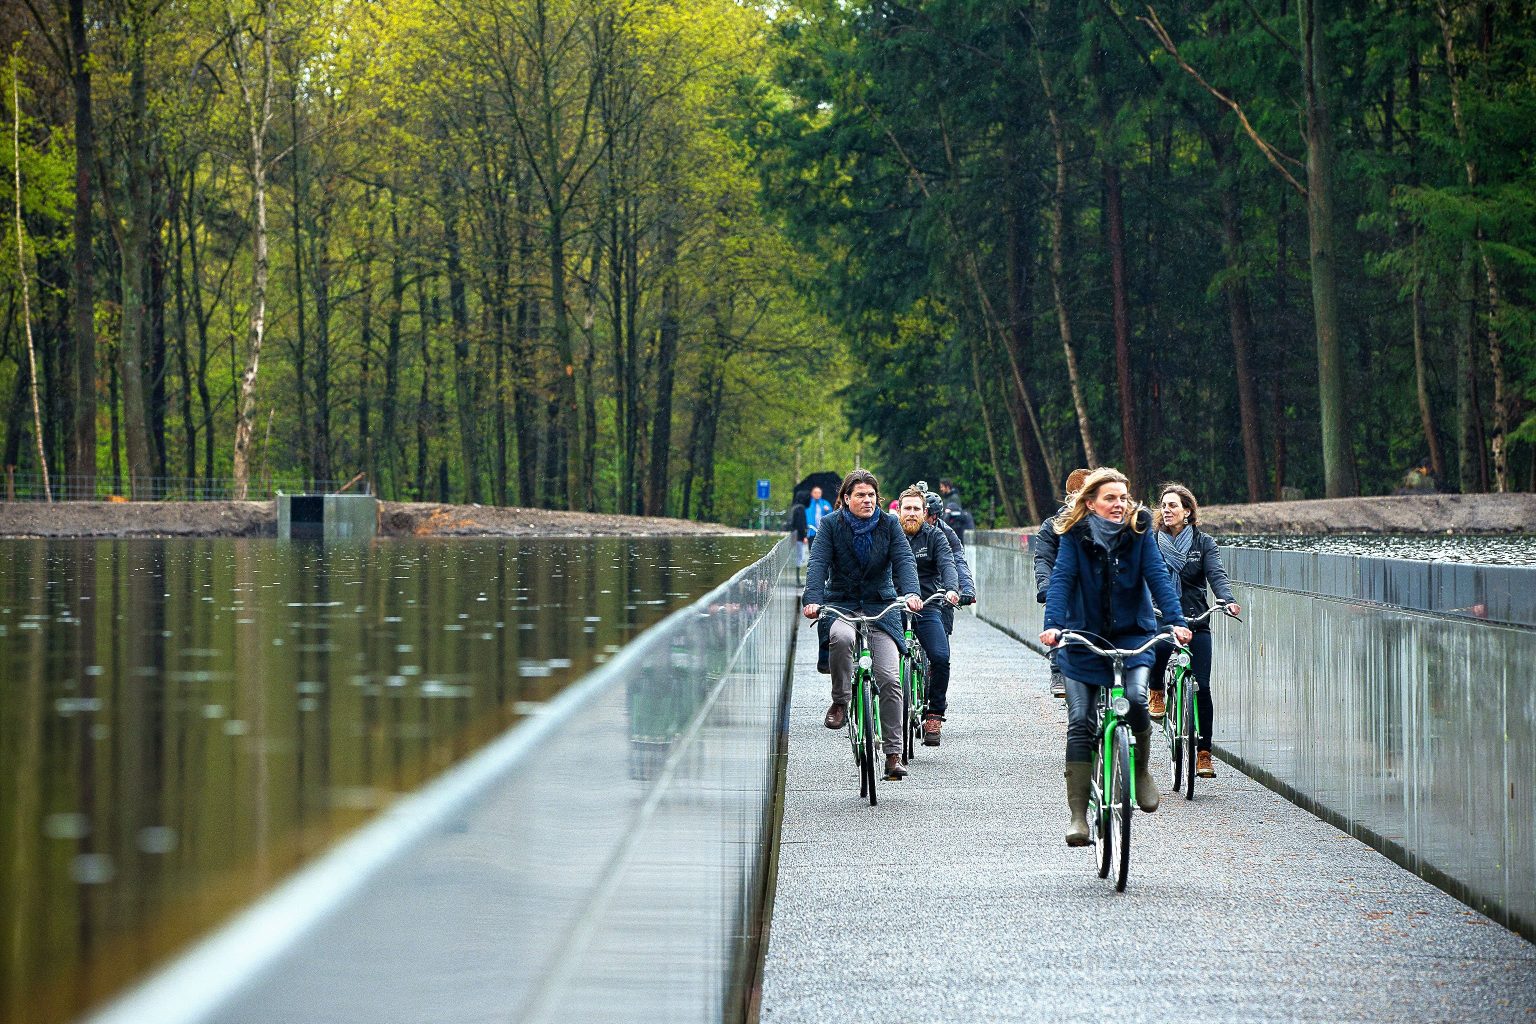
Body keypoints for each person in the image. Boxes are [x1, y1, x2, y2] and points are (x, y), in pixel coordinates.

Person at [1039, 467, 1191, 846]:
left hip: (1133, 633)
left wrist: (1175, 621)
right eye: (1111, 498)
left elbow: (1156, 575)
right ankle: (1078, 816)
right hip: (1082, 636)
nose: (1119, 504)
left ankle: (1139, 770)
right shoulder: (1074, 533)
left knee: (1138, 700)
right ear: (1090, 503)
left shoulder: (1140, 529)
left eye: (1124, 497)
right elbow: (1062, 579)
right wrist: (1054, 625)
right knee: (1080, 721)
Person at [803, 470, 924, 780]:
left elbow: (904, 561)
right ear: (846, 498)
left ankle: (893, 755)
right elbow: (817, 564)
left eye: (871, 495)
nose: (867, 500)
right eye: (860, 495)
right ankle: (841, 701)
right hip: (841, 603)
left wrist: (911, 593)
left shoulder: (890, 524)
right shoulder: (830, 525)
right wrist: (812, 600)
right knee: (840, 639)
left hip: (881, 606)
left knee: (889, 679)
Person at [1147, 483, 1240, 779]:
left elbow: (1216, 575)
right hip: (1161, 616)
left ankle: (1203, 753)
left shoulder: (1203, 543)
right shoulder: (1150, 542)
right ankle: (1157, 690)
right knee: (1159, 646)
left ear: (1188, 511)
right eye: (1164, 505)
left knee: (1202, 685)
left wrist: (1227, 600)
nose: (1167, 510)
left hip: (1196, 618)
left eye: (1173, 505)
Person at [897, 486, 960, 745]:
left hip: (928, 605)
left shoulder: (935, 537)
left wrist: (953, 589)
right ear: (898, 511)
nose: (911, 513)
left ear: (925, 512)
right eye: (906, 508)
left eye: (916, 509)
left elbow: (948, 563)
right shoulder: (890, 535)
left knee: (940, 657)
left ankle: (934, 713)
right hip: (893, 607)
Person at [1033, 468, 1091, 699]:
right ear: (1072, 496)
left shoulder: (1104, 524)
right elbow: (1043, 559)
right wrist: (1046, 587)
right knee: (1058, 618)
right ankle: (1057, 671)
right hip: (1064, 589)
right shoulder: (1053, 526)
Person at [923, 490, 975, 631]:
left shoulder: (947, 533)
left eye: (924, 513)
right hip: (917, 587)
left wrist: (968, 590)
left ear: (934, 516)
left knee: (943, 629)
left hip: (941, 586)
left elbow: (958, 560)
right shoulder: (907, 529)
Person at [938, 478, 975, 545]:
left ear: (947, 487)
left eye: (942, 487)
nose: (941, 489)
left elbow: (957, 512)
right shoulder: (946, 498)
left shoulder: (954, 497)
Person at [788, 490, 809, 584]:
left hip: (794, 535)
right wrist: (804, 535)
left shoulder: (794, 508)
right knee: (800, 556)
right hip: (799, 537)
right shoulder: (801, 509)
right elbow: (801, 524)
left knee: (798, 556)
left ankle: (797, 579)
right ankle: (797, 580)